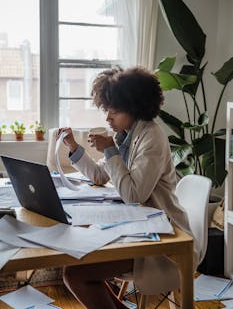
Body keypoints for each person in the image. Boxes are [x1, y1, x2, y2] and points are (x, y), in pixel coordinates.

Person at [58, 67, 198, 309]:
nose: (108, 118)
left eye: (114, 111)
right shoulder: (126, 135)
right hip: (138, 229)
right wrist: (73, 147)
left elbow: (134, 195)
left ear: (135, 107)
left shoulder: (151, 137)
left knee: (75, 274)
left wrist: (110, 150)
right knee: (76, 269)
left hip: (164, 242)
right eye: (106, 110)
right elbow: (102, 175)